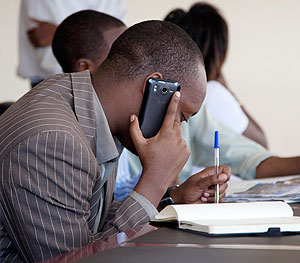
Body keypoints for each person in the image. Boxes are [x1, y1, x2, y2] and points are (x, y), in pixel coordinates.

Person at [0, 20, 231, 262]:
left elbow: (85, 219)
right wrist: (155, 180)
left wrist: (170, 200)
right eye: (180, 117)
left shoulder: (88, 105)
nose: (177, 134)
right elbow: (78, 259)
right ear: (155, 89)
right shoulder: (54, 141)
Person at [165, 3, 268, 149]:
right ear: (217, 51)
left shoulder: (166, 93)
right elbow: (261, 144)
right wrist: (229, 92)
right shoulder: (213, 92)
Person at [18, 0, 127, 87]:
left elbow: (120, 37)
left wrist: (59, 33)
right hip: (58, 85)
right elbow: (58, 63)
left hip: (103, 84)